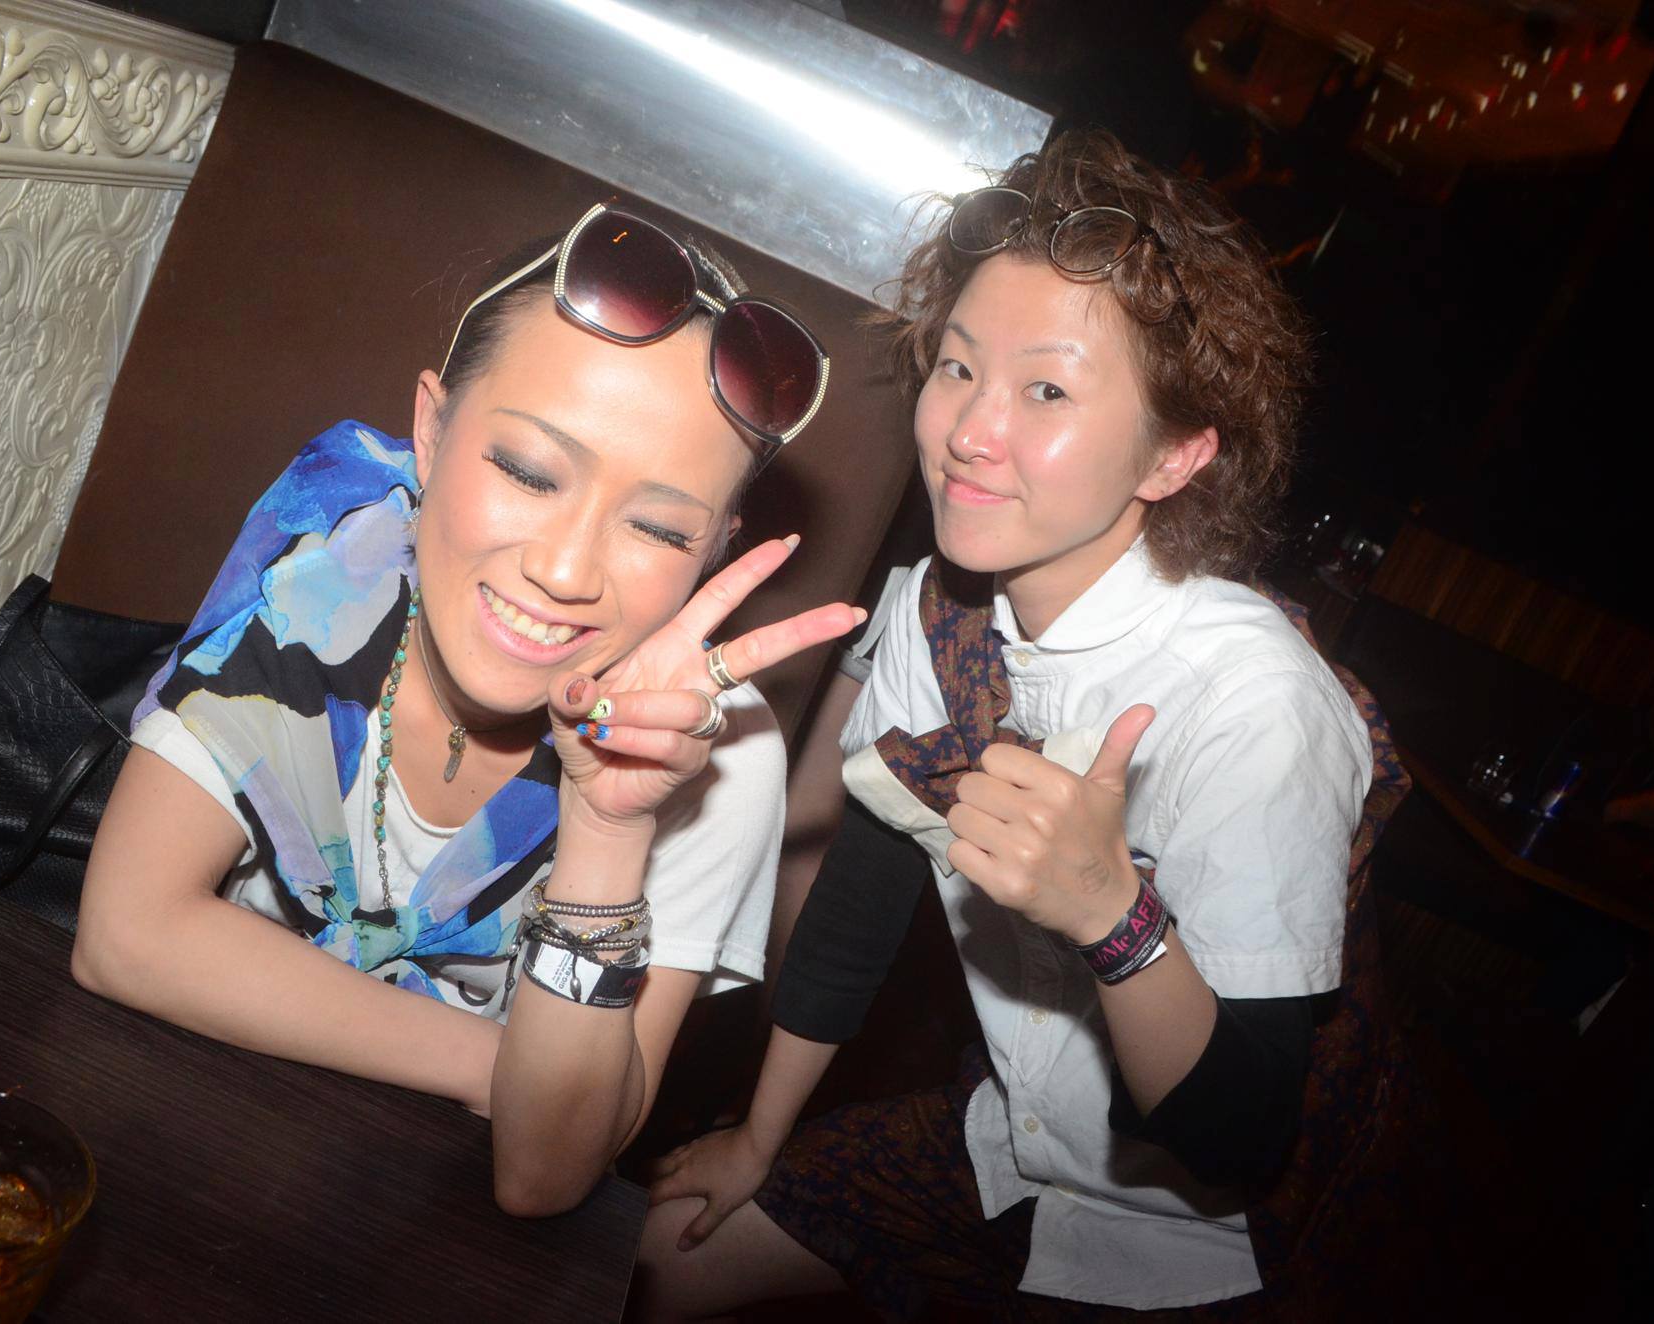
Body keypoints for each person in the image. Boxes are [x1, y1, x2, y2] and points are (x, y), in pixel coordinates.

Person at [638, 129, 1374, 1316]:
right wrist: (756, 1139)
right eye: (957, 367)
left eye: (1046, 390)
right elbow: (859, 905)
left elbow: (1241, 1135)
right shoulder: (936, 613)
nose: (968, 432)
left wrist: (1112, 916)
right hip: (998, 1146)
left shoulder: (1251, 703)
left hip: (1194, 1241)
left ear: (1174, 455)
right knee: (666, 1255)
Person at [70, 203, 862, 1217]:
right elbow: (126, 932)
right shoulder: (323, 562)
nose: (565, 571)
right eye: (528, 472)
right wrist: (502, 1069)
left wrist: (608, 831)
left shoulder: (715, 747)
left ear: (715, 551)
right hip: (156, 1126)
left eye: (660, 531)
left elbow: (543, 1175)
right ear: (431, 429)